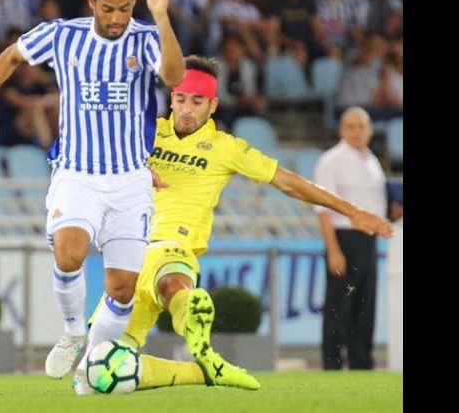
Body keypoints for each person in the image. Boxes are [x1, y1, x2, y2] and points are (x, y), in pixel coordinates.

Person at [75, 55, 394, 394]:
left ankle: (189, 306)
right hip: (126, 253)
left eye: (196, 101)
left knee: (171, 280)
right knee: (95, 376)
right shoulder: (146, 134)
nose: (186, 108)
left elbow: (287, 182)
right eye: (180, 98)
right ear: (172, 98)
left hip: (173, 246)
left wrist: (352, 211)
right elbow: (98, 145)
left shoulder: (225, 148)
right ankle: (202, 372)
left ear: (212, 106)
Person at [0, 0, 185, 385]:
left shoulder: (147, 38)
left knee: (121, 290)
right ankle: (74, 331)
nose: (116, 19)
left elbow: (173, 76)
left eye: (126, 9)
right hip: (76, 173)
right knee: (69, 253)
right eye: (109, 9)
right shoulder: (62, 35)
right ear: (92, 1)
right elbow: (10, 57)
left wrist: (161, 16)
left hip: (131, 179)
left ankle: (91, 369)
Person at [314, 106, 399, 370]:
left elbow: (373, 203)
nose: (356, 131)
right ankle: (332, 363)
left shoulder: (372, 160)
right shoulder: (331, 160)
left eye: (361, 126)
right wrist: (334, 249)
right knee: (340, 305)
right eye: (350, 126)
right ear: (341, 130)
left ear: (370, 130)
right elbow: (322, 209)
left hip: (368, 240)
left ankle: (362, 362)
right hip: (344, 239)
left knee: (364, 304)